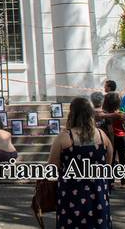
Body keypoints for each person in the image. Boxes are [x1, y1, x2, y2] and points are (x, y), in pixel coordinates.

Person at [47, 97, 113, 229]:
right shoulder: (102, 136)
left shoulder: (64, 137)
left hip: (71, 192)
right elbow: (108, 163)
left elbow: (52, 167)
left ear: (72, 114)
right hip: (97, 192)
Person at [98, 91, 125, 187]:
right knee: (122, 158)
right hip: (121, 135)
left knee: (111, 158)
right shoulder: (120, 112)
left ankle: (110, 181)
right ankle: (122, 181)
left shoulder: (105, 112)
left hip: (110, 136)